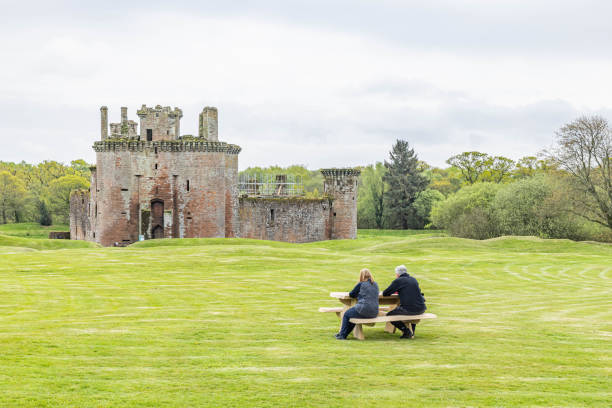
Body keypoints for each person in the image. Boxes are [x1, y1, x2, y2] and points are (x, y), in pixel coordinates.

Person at [383, 265, 426, 339]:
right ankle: (412, 331)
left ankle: (406, 332)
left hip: (410, 309)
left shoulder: (398, 281)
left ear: (397, 274)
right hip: (421, 308)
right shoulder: (413, 279)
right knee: (405, 310)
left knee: (389, 316)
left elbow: (385, 293)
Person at [336, 269, 380, 340]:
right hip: (374, 311)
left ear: (361, 276)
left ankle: (342, 335)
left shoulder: (361, 284)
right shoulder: (375, 284)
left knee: (347, 314)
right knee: (352, 315)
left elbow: (352, 294)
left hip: (364, 309)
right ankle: (343, 334)